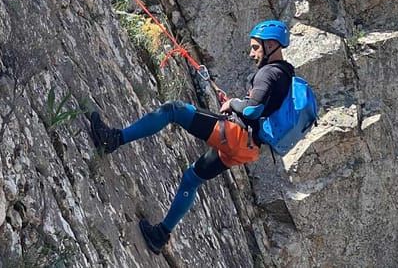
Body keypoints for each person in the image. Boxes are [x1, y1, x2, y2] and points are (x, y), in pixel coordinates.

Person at [87, 20, 295, 254]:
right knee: (191, 179)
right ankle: (160, 234)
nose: (251, 53)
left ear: (271, 45)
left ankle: (113, 139)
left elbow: (251, 110)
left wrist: (233, 103)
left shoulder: (269, 73)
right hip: (248, 149)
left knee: (173, 110)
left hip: (236, 135)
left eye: (256, 47)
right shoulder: (286, 76)